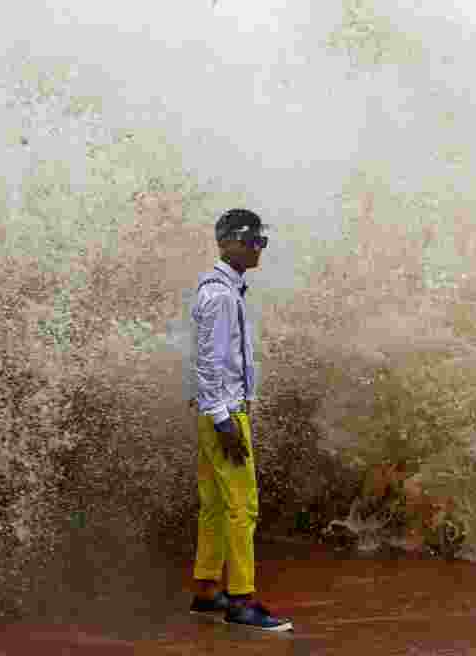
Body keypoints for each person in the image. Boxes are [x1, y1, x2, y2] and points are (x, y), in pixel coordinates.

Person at [186, 208, 293, 632]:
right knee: (242, 507)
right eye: (252, 241)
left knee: (214, 505)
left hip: (217, 411)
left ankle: (207, 589)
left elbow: (207, 359)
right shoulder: (220, 296)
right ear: (228, 242)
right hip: (225, 414)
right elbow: (208, 363)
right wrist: (223, 418)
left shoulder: (224, 290)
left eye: (261, 241)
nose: (258, 249)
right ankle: (242, 600)